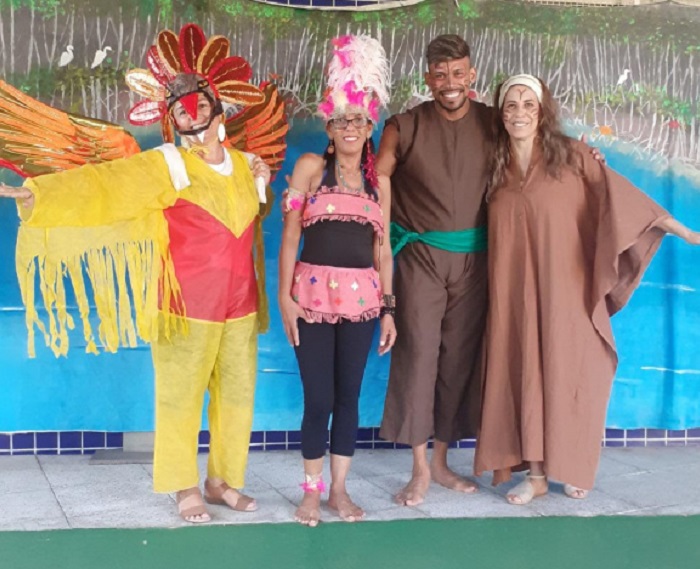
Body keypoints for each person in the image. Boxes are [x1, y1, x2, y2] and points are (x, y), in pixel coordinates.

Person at [0, 24, 282, 523]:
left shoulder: (244, 164)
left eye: (199, 108)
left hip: (240, 306)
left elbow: (253, 216)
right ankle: (184, 486)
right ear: (173, 121)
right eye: (182, 113)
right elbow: (105, 184)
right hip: (186, 307)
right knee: (180, 397)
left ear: (218, 111)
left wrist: (263, 178)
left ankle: (221, 482)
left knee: (238, 396)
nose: (192, 118)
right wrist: (38, 194)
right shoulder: (167, 164)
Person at [473, 74, 700, 504]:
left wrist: (681, 229)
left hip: (567, 291)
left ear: (542, 111)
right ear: (500, 113)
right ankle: (536, 475)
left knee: (574, 372)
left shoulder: (573, 156)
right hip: (513, 296)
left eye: (528, 104)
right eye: (511, 105)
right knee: (524, 375)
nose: (519, 113)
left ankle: (573, 465)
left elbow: (618, 197)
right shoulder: (493, 167)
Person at [278, 35, 397, 527]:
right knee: (319, 398)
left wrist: (388, 309)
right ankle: (311, 491)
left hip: (362, 304)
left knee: (348, 397)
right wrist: (284, 299)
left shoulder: (379, 184)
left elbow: (382, 251)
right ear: (329, 126)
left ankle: (339, 490)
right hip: (310, 299)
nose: (351, 127)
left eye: (359, 120)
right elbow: (290, 237)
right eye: (342, 119)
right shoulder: (310, 168)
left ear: (371, 127)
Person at [376, 34, 490, 506]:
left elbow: (537, 151)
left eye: (458, 73)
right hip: (420, 258)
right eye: (440, 75)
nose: (449, 83)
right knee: (418, 357)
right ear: (427, 78)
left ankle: (442, 462)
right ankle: (420, 468)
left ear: (471, 75)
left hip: (475, 261)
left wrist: (585, 156)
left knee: (458, 360)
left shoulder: (493, 123)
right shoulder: (405, 125)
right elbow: (378, 172)